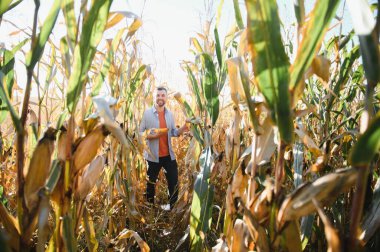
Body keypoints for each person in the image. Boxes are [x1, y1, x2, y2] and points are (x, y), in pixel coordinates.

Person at [139, 86, 189, 210]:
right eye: (158, 95)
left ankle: (172, 208)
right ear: (155, 97)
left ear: (166, 97)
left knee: (173, 183)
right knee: (150, 185)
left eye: (162, 95)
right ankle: (150, 208)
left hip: (168, 156)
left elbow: (173, 132)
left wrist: (184, 127)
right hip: (152, 157)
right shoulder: (147, 114)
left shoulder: (169, 114)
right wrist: (150, 135)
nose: (160, 98)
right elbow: (139, 133)